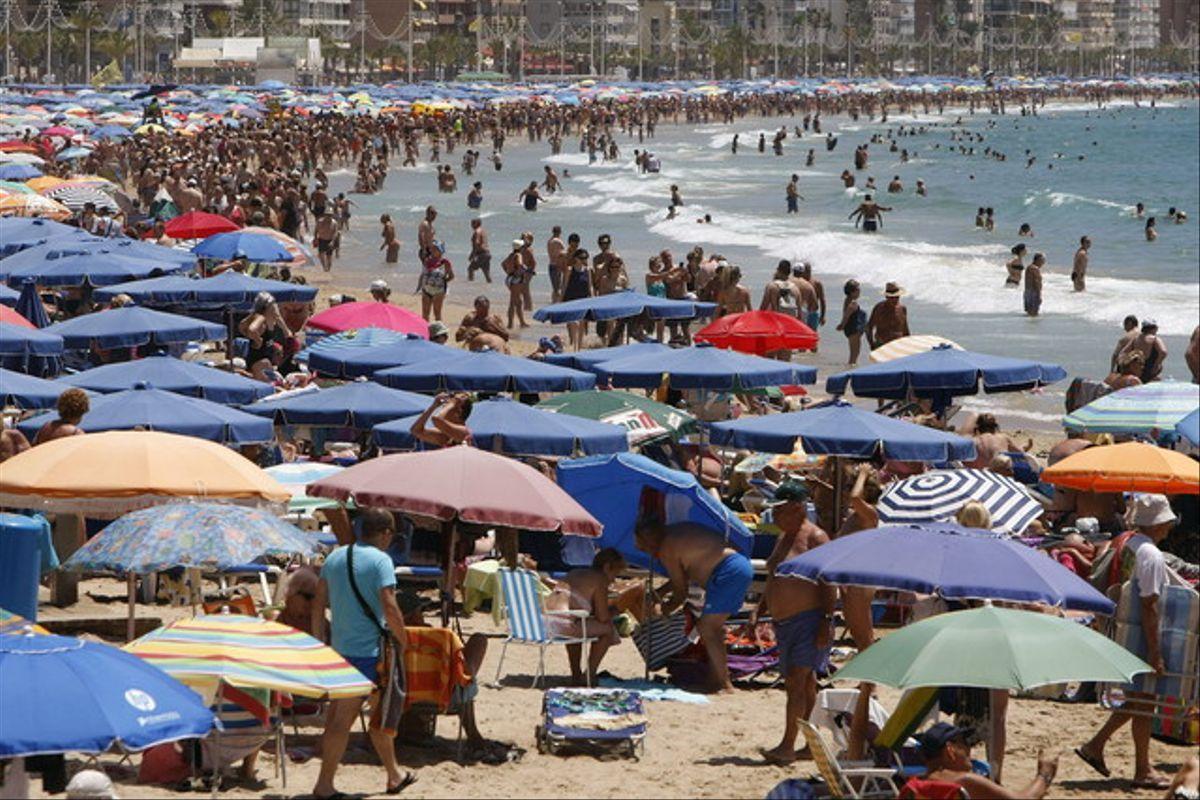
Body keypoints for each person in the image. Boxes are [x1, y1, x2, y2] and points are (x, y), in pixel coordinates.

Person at [311, 508, 415, 799]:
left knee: (377, 715)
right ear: (384, 533)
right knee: (342, 722)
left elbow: (318, 605)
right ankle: (323, 785)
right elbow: (390, 606)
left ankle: (394, 774)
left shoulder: (335, 557)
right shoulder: (381, 561)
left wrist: (320, 642)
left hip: (340, 650)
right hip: (367, 653)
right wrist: (403, 640)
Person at [1076, 494, 1176, 790]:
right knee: (1145, 700)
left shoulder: (1126, 541)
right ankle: (1140, 769)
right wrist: (1156, 651)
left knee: (1141, 699)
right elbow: (1149, 604)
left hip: (1121, 628)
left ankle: (1100, 747)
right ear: (1160, 523)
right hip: (1139, 633)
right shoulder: (1152, 555)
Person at [759, 480, 835, 765]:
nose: (775, 517)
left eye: (780, 511)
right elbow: (774, 576)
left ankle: (787, 746)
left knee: (795, 682)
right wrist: (760, 608)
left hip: (809, 619)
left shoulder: (816, 538)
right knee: (806, 685)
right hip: (785, 623)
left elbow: (828, 582)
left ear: (797, 508)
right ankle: (809, 744)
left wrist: (826, 621)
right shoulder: (784, 537)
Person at [634, 514, 752, 694]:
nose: (638, 548)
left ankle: (725, 684)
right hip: (733, 567)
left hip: (727, 571)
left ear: (649, 541)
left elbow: (681, 592)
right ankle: (715, 679)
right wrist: (660, 593)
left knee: (707, 627)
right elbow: (684, 575)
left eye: (640, 544)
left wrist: (665, 609)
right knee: (714, 630)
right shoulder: (676, 532)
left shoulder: (667, 548)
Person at [915, 722, 1059, 800]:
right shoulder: (964, 781)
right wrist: (1044, 775)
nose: (969, 750)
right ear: (950, 750)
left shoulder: (917, 786)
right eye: (965, 743)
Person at [549, 548, 627, 685]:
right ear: (607, 567)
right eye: (615, 573)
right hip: (565, 624)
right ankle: (589, 674)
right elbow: (602, 617)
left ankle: (576, 673)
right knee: (607, 629)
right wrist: (617, 609)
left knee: (578, 625)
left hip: (548, 621)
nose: (614, 580)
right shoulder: (600, 579)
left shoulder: (574, 572)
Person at [966, 413, 1032, 470]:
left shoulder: (972, 441)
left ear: (978, 428)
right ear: (996, 427)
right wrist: (1024, 448)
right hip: (1001, 475)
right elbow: (1020, 453)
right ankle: (1024, 446)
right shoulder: (1003, 437)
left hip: (981, 476)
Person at [409, 393, 473, 448]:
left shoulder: (464, 432)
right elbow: (416, 430)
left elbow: (436, 419)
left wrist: (452, 403)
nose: (444, 407)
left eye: (447, 406)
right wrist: (434, 406)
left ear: (458, 413)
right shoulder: (446, 435)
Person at [1120, 319, 1168, 383]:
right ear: (1154, 328)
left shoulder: (1136, 339)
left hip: (1136, 371)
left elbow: (1123, 352)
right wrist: (1157, 364)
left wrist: (1126, 364)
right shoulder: (1154, 339)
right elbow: (1163, 352)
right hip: (1150, 370)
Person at [865, 282, 910, 350]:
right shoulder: (879, 309)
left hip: (898, 345)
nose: (895, 299)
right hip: (882, 345)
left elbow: (905, 329)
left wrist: (908, 345)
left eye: (897, 297)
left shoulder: (902, 309)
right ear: (886, 297)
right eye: (892, 298)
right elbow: (869, 327)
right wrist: (872, 344)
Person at [418, 242, 453, 322]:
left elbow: (451, 276)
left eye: (435, 249)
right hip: (426, 290)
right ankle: (425, 331)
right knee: (425, 314)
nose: (432, 250)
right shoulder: (427, 261)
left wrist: (444, 281)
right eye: (432, 248)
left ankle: (439, 332)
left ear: (441, 251)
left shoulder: (445, 263)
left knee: (437, 314)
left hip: (439, 291)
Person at [837, 279, 867, 365]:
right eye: (858, 289)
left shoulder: (847, 300)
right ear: (852, 292)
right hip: (853, 329)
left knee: (853, 353)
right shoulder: (852, 303)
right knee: (855, 354)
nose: (859, 291)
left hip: (850, 329)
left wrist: (842, 325)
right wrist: (842, 324)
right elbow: (847, 314)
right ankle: (851, 370)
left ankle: (851, 367)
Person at [500, 239, 528, 329]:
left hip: (510, 278)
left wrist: (509, 272)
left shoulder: (511, 255)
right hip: (516, 280)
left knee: (518, 302)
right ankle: (510, 324)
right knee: (513, 302)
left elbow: (503, 264)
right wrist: (522, 270)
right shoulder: (519, 255)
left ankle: (521, 322)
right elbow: (520, 265)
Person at [547, 225, 566, 302]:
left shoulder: (550, 240)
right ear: (560, 232)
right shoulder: (557, 241)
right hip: (556, 266)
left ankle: (554, 303)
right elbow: (562, 253)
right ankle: (557, 304)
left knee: (555, 288)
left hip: (552, 265)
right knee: (557, 288)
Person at [468, 218, 491, 283]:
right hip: (487, 254)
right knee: (486, 274)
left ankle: (470, 285)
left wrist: (472, 255)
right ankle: (490, 286)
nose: (471, 225)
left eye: (473, 223)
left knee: (470, 269)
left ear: (477, 223)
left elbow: (477, 244)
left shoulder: (477, 232)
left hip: (481, 254)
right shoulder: (483, 231)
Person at [1024, 252, 1044, 316]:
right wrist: (1039, 295)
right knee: (1034, 314)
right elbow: (1036, 282)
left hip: (1027, 292)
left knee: (1029, 314)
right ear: (1038, 260)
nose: (1043, 263)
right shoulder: (1035, 268)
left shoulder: (1029, 267)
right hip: (1033, 293)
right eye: (1043, 260)